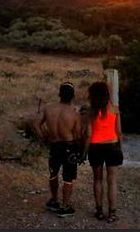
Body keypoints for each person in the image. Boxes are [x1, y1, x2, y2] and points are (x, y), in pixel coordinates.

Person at [33, 81, 84, 218]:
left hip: (54, 145)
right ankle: (65, 206)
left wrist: (43, 139)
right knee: (68, 177)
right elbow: (78, 136)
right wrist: (81, 152)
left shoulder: (48, 109)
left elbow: (36, 124)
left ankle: (54, 200)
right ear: (73, 96)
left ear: (59, 94)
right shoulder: (74, 114)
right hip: (69, 147)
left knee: (53, 173)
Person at [82, 81, 123, 223]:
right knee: (112, 182)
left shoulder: (90, 111)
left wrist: (84, 152)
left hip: (95, 147)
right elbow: (119, 132)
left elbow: (88, 134)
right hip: (112, 146)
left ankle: (99, 211)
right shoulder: (115, 109)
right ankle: (112, 213)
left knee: (97, 180)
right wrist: (120, 149)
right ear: (107, 93)